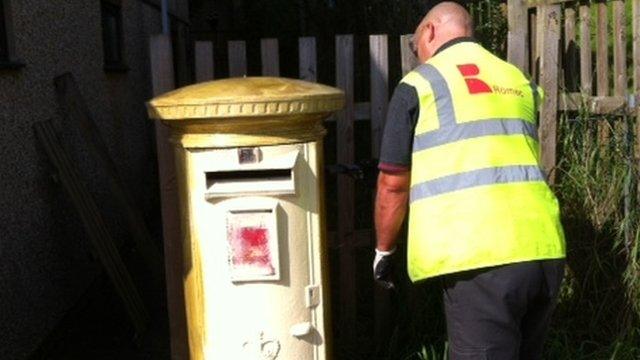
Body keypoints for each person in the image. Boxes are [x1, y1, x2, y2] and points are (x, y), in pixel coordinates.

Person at [372, 2, 566, 359]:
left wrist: (384, 250)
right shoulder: (516, 79)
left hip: (482, 258)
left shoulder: (420, 84)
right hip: (544, 250)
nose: (419, 57)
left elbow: (393, 184)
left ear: (429, 32)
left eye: (416, 47)